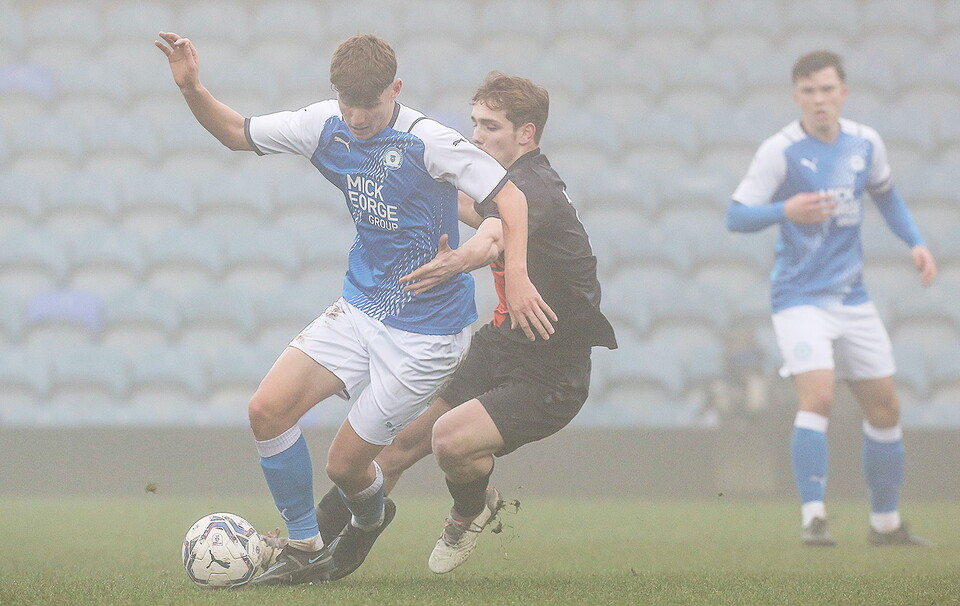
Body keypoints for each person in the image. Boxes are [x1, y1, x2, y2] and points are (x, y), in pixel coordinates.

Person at [156, 33, 556, 585]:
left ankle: (369, 519)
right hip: (361, 307)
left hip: (426, 334)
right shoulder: (325, 124)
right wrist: (192, 88)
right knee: (266, 411)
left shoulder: (428, 141)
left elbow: (512, 199)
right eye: (348, 101)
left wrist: (516, 274)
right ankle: (304, 544)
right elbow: (235, 132)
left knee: (345, 467)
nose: (358, 116)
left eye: (370, 103)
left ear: (395, 89)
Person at [311, 71, 618, 574]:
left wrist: (459, 260)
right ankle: (312, 544)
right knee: (396, 443)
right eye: (475, 123)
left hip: (552, 371)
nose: (476, 136)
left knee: (449, 441)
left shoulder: (534, 188)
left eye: (491, 127)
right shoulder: (501, 184)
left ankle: (470, 510)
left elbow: (493, 236)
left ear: (526, 134)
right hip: (499, 345)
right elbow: (463, 205)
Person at [726, 50, 937, 547]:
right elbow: (736, 216)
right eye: (809, 91)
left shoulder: (865, 143)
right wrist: (785, 209)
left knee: (885, 407)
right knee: (818, 395)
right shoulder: (780, 150)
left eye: (826, 89)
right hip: (799, 297)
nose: (819, 99)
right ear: (796, 96)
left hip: (852, 298)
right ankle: (814, 518)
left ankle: (885, 524)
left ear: (843, 93)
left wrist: (916, 242)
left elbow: (885, 195)